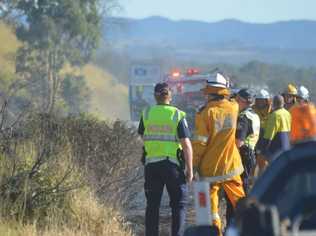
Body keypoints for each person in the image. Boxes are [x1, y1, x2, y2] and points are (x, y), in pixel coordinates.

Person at [138, 82, 193, 236]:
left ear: (155, 95)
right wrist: (189, 169)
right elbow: (186, 144)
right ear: (170, 95)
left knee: (152, 205)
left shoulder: (147, 113)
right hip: (172, 166)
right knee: (178, 205)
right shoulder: (177, 114)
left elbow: (142, 135)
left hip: (151, 166)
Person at [192, 72, 245, 233]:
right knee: (242, 204)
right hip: (231, 166)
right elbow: (236, 100)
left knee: (212, 209)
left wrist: (193, 165)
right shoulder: (234, 108)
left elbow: (200, 143)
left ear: (208, 92)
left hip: (211, 169)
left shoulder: (204, 114)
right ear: (224, 91)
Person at [235, 88, 260, 194]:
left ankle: (243, 208)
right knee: (246, 184)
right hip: (250, 153)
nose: (235, 102)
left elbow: (239, 142)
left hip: (243, 154)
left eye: (237, 100)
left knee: (242, 185)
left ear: (243, 101)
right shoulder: (254, 114)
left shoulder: (243, 117)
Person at [259, 95, 291, 162]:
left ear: (273, 103)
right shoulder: (288, 113)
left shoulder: (275, 115)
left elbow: (269, 135)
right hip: (286, 146)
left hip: (276, 148)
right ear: (283, 103)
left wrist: (263, 150)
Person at [253, 89, 272, 174]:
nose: (260, 102)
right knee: (253, 161)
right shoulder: (252, 109)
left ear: (266, 100)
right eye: (259, 100)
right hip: (255, 136)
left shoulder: (272, 110)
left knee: (264, 162)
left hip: (266, 138)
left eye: (262, 100)